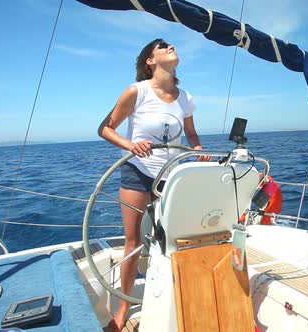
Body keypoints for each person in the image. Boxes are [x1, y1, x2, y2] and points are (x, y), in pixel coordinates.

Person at [97, 38, 209, 331]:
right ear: (150, 60)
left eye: (171, 45)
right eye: (163, 46)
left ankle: (179, 299)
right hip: (136, 171)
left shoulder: (185, 97)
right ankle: (123, 309)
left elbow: (192, 136)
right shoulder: (137, 91)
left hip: (169, 174)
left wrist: (198, 152)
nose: (171, 46)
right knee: (133, 242)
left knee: (174, 238)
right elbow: (105, 128)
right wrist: (130, 145)